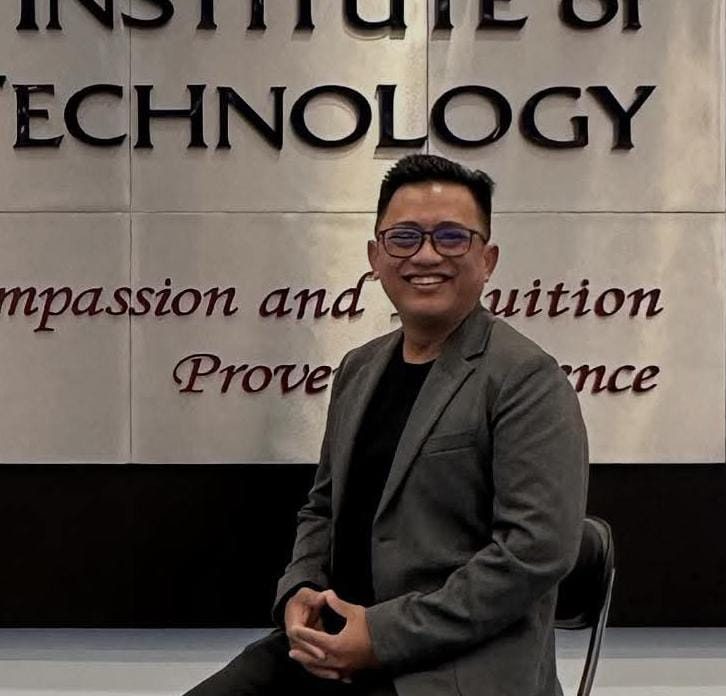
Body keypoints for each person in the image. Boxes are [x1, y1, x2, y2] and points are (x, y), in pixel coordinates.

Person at [184, 154, 589, 696]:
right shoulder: (359, 368)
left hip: (454, 665)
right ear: (375, 256)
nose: (426, 254)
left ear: (487, 258)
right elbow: (322, 509)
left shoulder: (527, 379)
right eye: (404, 238)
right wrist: (300, 587)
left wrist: (381, 636)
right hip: (331, 644)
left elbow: (534, 552)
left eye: (452, 237)